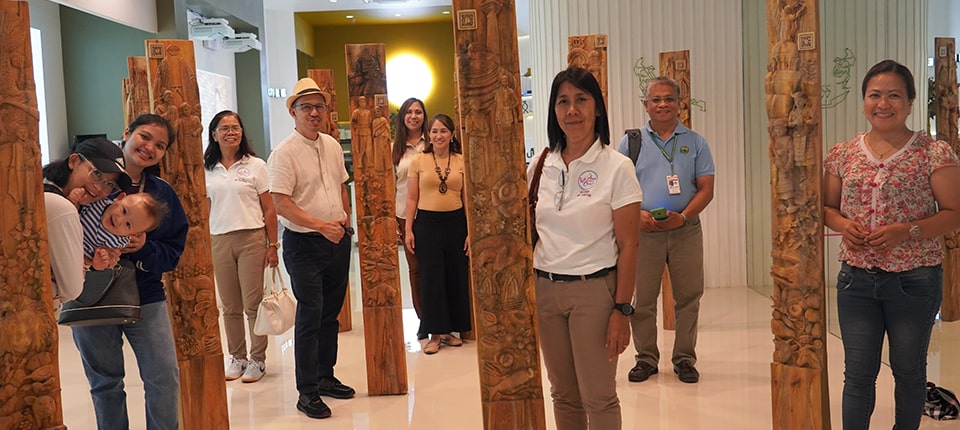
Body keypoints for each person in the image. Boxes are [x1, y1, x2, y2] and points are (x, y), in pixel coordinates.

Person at [823, 59, 960, 430]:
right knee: (858, 374)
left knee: (909, 369)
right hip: (856, 281)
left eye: (894, 96)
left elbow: (953, 213)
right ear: (864, 101)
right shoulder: (843, 154)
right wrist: (842, 224)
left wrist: (908, 230)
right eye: (875, 95)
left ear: (911, 102)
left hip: (914, 280)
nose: (883, 104)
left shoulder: (934, 152)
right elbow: (826, 208)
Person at [531, 66, 641, 429]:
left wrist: (622, 311)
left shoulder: (617, 167)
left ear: (597, 108)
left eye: (581, 100)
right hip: (545, 290)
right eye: (563, 101)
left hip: (594, 291)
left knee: (598, 396)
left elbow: (629, 245)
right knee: (563, 393)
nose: (572, 110)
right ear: (554, 110)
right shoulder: (541, 163)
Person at [70, 114, 188, 430]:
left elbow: (173, 254)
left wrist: (143, 248)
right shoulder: (91, 179)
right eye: (145, 137)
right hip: (88, 297)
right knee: (105, 382)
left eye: (160, 145)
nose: (149, 147)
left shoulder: (162, 195)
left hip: (146, 298)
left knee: (163, 377)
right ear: (127, 133)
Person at [619, 76, 715, 384]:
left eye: (668, 99)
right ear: (645, 105)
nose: (662, 104)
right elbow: (619, 188)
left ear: (679, 103)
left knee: (689, 297)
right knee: (642, 299)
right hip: (643, 231)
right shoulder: (631, 141)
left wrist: (683, 217)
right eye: (656, 100)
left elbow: (706, 189)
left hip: (685, 230)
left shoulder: (696, 142)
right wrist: (639, 214)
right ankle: (645, 358)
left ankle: (685, 358)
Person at [269, 77, 355, 420]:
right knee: (309, 315)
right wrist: (321, 225)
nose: (314, 112)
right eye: (307, 107)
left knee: (329, 315)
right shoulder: (284, 153)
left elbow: (340, 185)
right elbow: (281, 204)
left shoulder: (332, 145)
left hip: (337, 239)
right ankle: (307, 392)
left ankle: (324, 376)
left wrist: (344, 221)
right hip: (304, 244)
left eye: (320, 106)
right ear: (293, 112)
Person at [204, 110, 279, 383]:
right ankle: (237, 357)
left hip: (252, 239)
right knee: (229, 305)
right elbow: (206, 210)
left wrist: (273, 245)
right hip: (219, 240)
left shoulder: (256, 165)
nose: (231, 132)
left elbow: (269, 209)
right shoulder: (207, 170)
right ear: (214, 135)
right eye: (224, 128)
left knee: (253, 304)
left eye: (235, 127)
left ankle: (258, 360)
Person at [403, 113, 471, 355]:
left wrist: (470, 231)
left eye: (443, 131)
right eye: (434, 131)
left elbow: (467, 199)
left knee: (455, 277)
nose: (438, 135)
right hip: (427, 224)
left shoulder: (462, 161)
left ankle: (449, 331)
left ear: (451, 135)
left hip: (455, 224)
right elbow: (412, 198)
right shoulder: (418, 161)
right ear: (428, 136)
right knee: (431, 280)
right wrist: (409, 229)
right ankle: (433, 334)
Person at [42, 137, 130, 308]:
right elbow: (71, 290)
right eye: (97, 174)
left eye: (109, 184)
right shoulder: (60, 205)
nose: (99, 188)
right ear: (73, 161)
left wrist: (95, 260)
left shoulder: (83, 209)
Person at [391, 97, 427, 339]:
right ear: (403, 116)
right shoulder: (395, 148)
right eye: (409, 112)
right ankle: (423, 319)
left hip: (432, 213)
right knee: (415, 269)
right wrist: (392, 218)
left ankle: (441, 318)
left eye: (419, 112)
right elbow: (390, 185)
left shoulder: (432, 143)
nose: (414, 116)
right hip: (405, 215)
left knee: (433, 267)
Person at [78, 192, 168, 266]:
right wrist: (76, 198)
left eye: (128, 224)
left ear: (132, 234)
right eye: (124, 211)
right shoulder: (100, 202)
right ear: (119, 198)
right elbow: (79, 204)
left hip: (77, 256)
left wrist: (100, 262)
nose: (119, 220)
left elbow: (106, 263)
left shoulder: (116, 242)